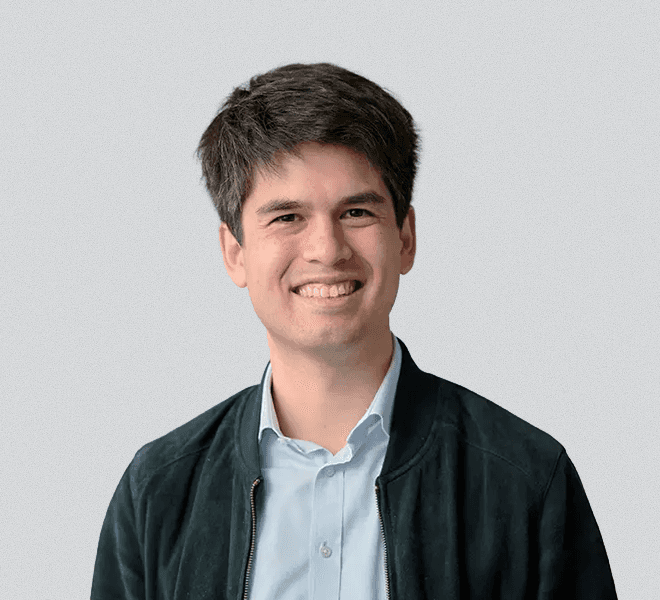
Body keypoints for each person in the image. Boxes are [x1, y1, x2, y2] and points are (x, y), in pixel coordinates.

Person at [91, 63, 617, 599]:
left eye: (357, 212)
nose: (327, 249)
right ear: (235, 253)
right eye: (287, 217)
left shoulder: (526, 480)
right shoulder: (157, 492)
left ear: (405, 238)